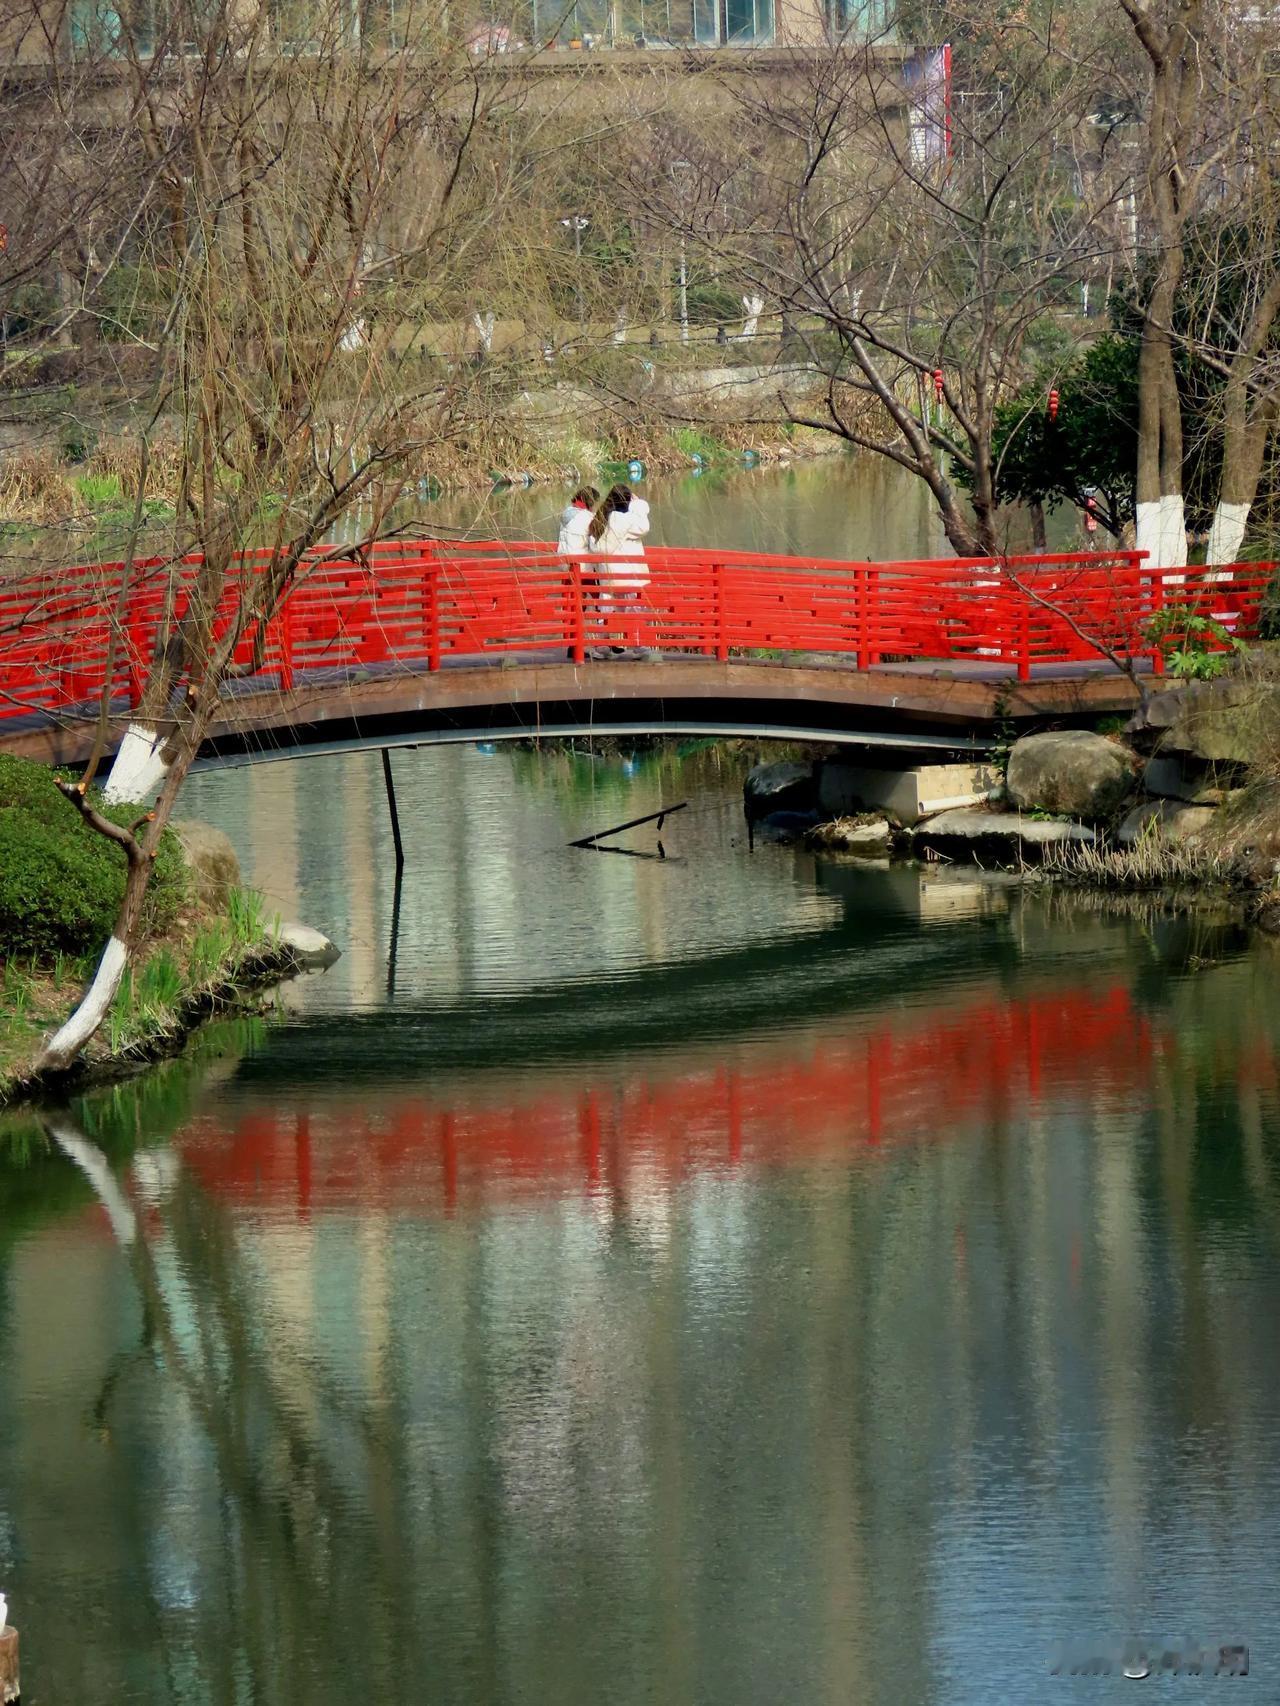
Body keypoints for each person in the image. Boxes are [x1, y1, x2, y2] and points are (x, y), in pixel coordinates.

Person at [589, 482, 654, 656]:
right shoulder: (626, 519)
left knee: (607, 609)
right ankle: (637, 645)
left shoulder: (600, 517)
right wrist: (639, 505)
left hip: (608, 573)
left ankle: (601, 646)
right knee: (633, 609)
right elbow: (644, 527)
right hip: (628, 573)